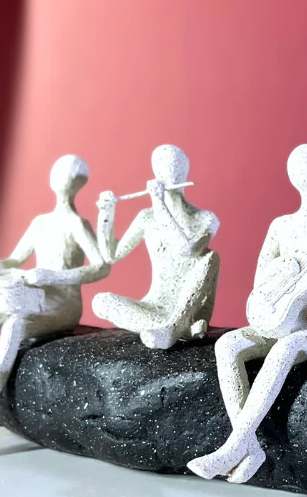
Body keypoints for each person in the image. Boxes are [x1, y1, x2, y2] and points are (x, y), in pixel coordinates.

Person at [187, 144, 307, 484]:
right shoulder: (280, 226)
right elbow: (260, 279)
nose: (306, 172)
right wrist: (285, 268)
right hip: (277, 317)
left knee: (284, 349)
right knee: (227, 345)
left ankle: (234, 446)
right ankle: (248, 447)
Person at [0, 154, 109, 435]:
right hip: (35, 297)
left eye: (70, 175)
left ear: (79, 183)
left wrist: (53, 276)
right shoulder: (41, 223)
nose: (64, 179)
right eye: (61, 173)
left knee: (15, 325)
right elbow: (14, 259)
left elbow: (101, 267)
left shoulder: (77, 224)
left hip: (62, 305)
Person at [92, 145, 219, 348]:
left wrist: (159, 203)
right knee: (101, 301)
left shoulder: (206, 218)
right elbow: (111, 256)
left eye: (173, 166)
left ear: (184, 170)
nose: (166, 172)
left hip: (185, 308)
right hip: (152, 305)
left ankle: (176, 325)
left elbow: (187, 250)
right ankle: (176, 329)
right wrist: (106, 213)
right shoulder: (147, 217)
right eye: (160, 167)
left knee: (210, 257)